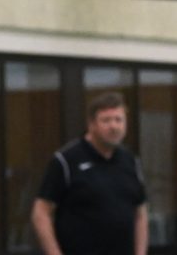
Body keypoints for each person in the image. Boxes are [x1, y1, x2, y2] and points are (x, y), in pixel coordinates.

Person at [31, 92, 148, 255]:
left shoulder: (130, 160)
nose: (113, 126)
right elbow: (41, 212)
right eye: (106, 120)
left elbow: (140, 213)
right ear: (91, 124)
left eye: (118, 120)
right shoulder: (66, 160)